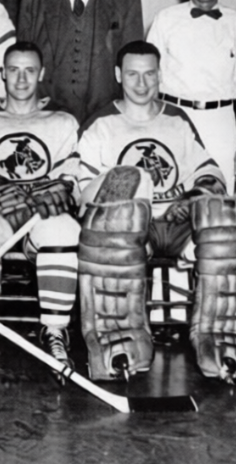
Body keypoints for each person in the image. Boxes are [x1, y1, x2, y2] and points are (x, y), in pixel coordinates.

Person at [77, 41, 230, 381]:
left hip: (177, 224)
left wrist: (193, 197)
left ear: (159, 75)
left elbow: (210, 172)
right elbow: (83, 196)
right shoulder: (101, 124)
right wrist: (125, 187)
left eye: (149, 74)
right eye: (133, 74)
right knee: (123, 205)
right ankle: (119, 343)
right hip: (131, 230)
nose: (142, 83)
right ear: (119, 75)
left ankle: (218, 341)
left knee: (223, 219)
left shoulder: (176, 119)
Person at [0, 42, 80, 375]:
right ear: (3, 74)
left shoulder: (61, 119)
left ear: (41, 74)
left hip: (40, 214)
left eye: (29, 70)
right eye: (14, 70)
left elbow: (73, 172)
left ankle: (54, 331)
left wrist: (62, 187)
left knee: (63, 229)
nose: (22, 79)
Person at [18, 0, 143, 124]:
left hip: (106, 120)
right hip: (46, 119)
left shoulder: (126, 0)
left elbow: (134, 69)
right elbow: (22, 64)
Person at [147, 0, 236, 193]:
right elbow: (149, 77)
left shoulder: (234, 22)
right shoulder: (165, 19)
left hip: (220, 121)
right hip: (176, 116)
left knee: (221, 197)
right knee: (172, 192)